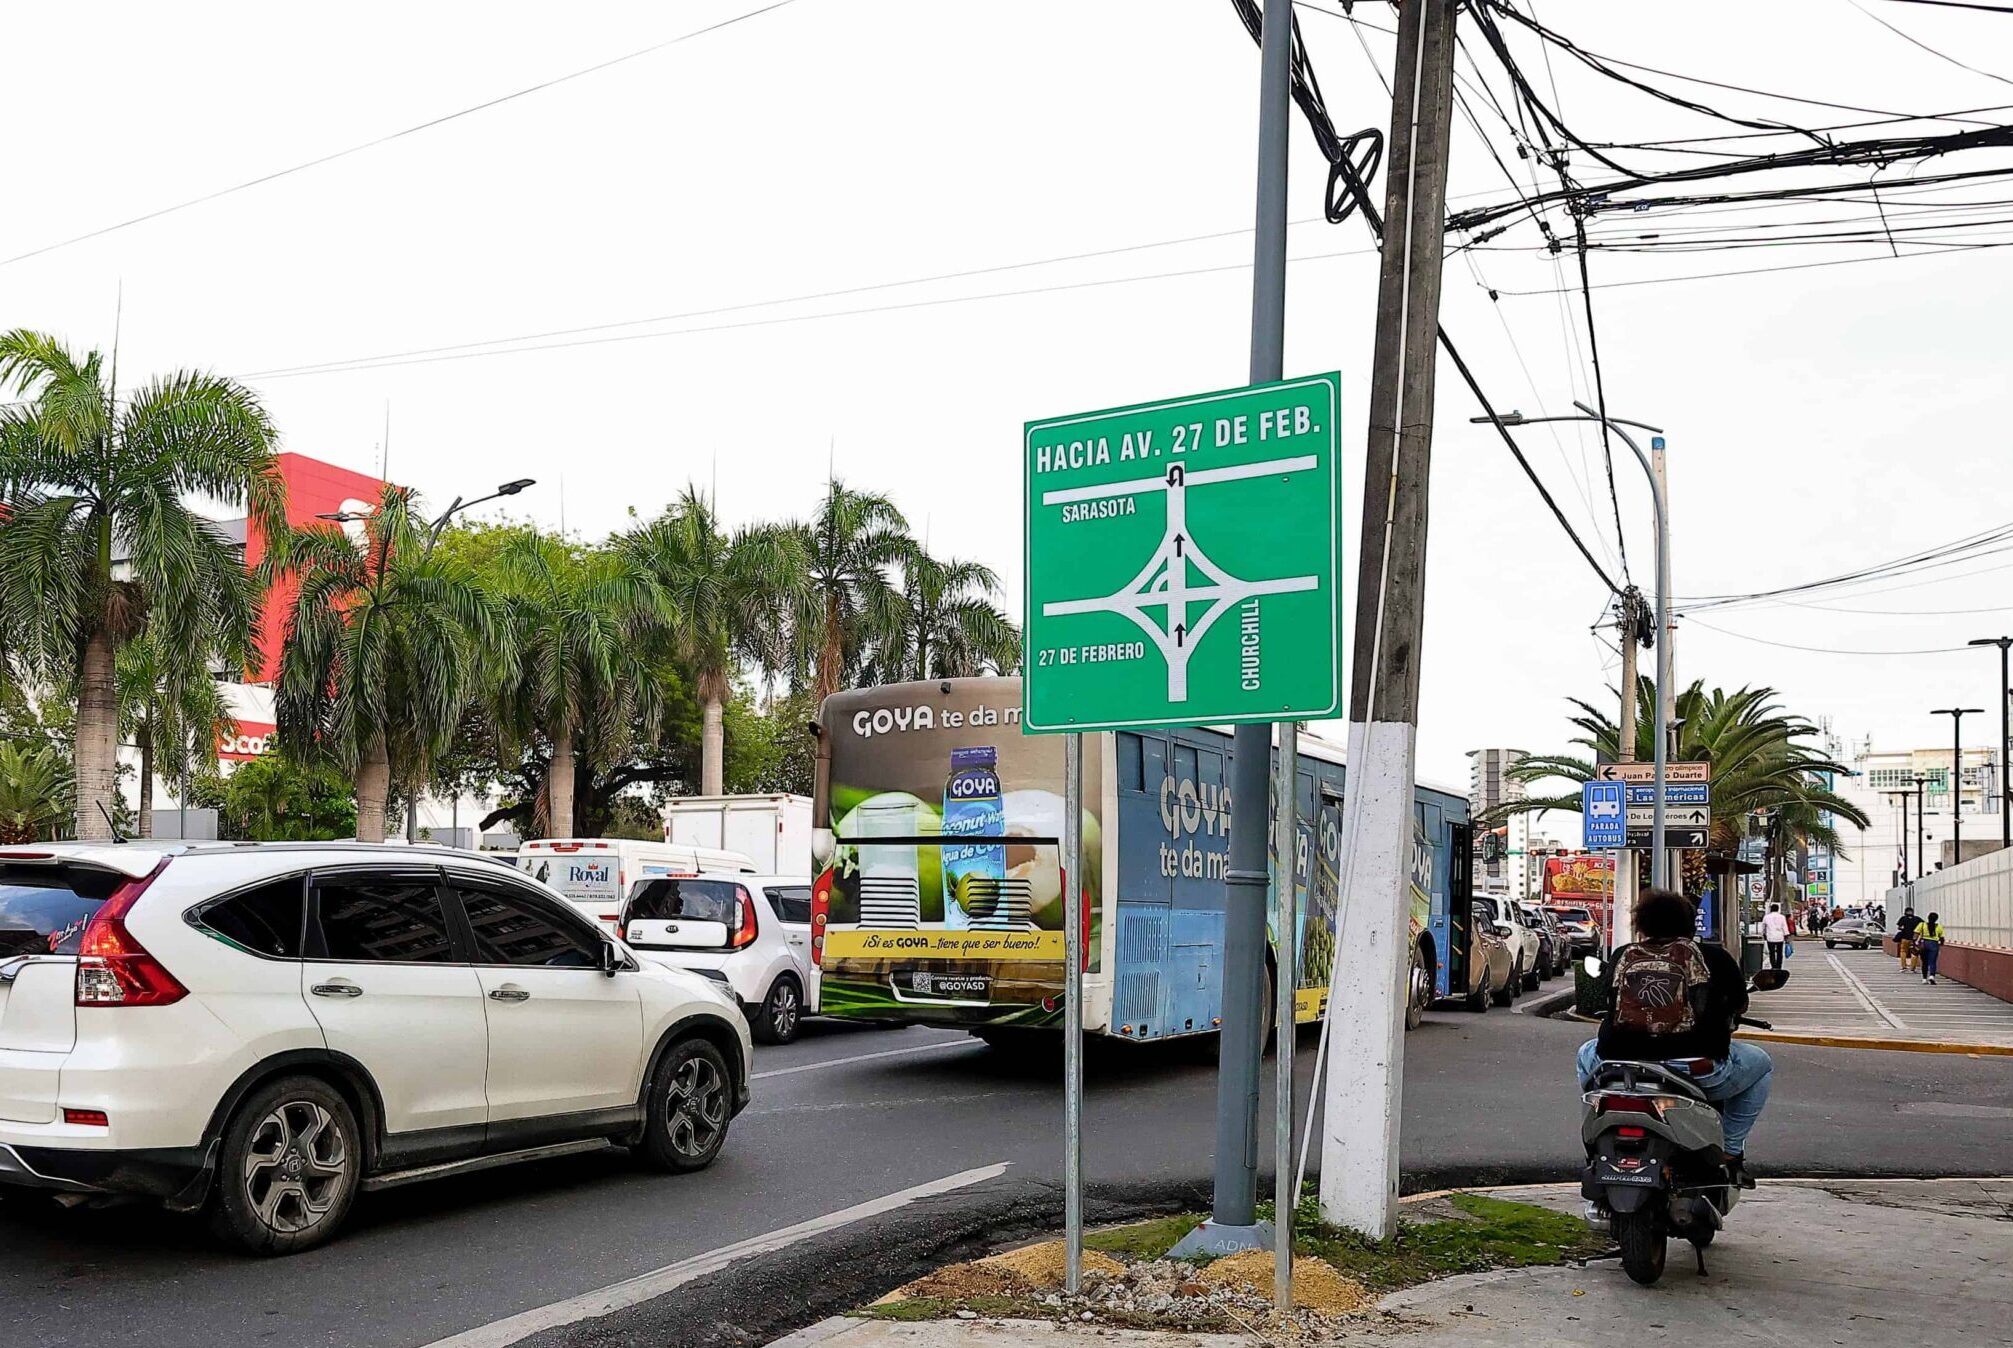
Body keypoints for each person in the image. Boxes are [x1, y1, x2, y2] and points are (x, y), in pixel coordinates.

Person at [1577, 887, 1772, 1185]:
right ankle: (1731, 1151)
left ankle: (1597, 1138)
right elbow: (1739, 1004)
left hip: (1619, 1063)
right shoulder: (1714, 958)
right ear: (1689, 924)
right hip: (1693, 1067)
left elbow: (1604, 1000)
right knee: (1761, 1064)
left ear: (1640, 924)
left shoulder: (1622, 955)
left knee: (1585, 1052)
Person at [1918, 911, 1946, 985]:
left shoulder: (1922, 925)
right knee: (1932, 961)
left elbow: (1915, 934)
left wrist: (1914, 943)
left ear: (1928, 918)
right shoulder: (1939, 927)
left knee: (1924, 962)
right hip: (1934, 944)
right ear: (1936, 919)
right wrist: (1941, 944)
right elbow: (1942, 938)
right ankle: (1931, 976)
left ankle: (1924, 978)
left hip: (1924, 944)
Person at [1762, 902, 1790, 972]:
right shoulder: (1782, 917)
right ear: (1778, 909)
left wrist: (1764, 934)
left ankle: (1773, 965)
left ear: (1771, 909)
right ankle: (1779, 966)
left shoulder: (1766, 917)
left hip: (1770, 937)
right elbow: (1784, 927)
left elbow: (1763, 927)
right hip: (1779, 937)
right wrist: (1786, 935)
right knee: (1779, 952)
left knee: (1771, 952)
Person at [1896, 906, 1923, 972]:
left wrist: (1903, 928)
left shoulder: (1903, 918)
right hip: (1914, 939)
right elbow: (1923, 925)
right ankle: (1912, 968)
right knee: (1914, 952)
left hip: (1905, 938)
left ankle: (1904, 967)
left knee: (1903, 952)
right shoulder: (1917, 919)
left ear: (1905, 912)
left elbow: (1899, 927)